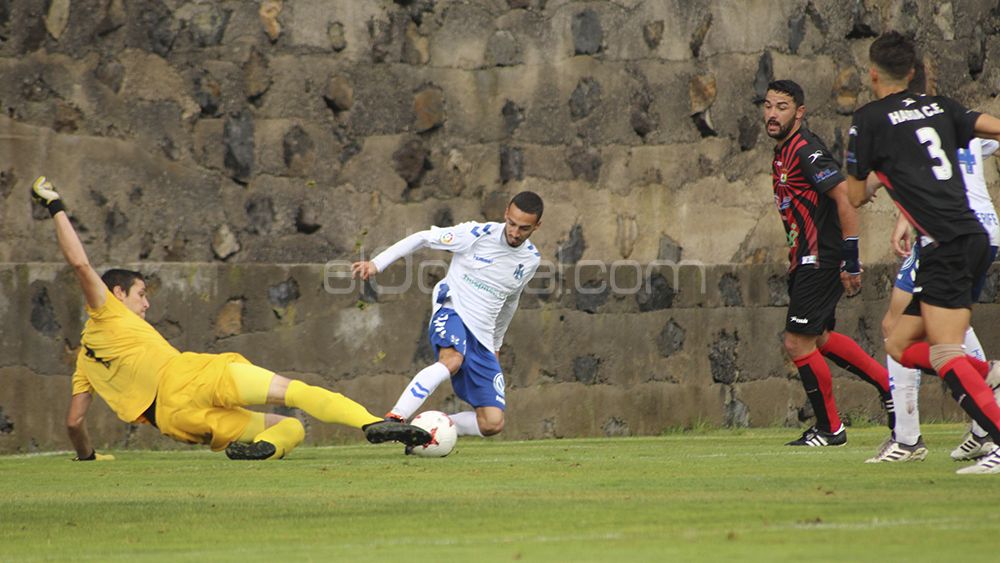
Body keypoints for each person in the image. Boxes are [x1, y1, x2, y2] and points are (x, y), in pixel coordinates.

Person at [31, 176, 431, 462]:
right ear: (117, 293)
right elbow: (80, 264)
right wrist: (55, 205)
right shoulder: (106, 310)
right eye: (141, 294)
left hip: (173, 420)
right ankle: (371, 423)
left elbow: (74, 422)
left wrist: (88, 457)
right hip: (190, 376)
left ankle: (265, 450)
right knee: (295, 392)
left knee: (289, 428)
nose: (147, 304)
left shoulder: (85, 363)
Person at [846, 31, 1000, 474]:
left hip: (947, 243)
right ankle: (988, 373)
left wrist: (875, 178)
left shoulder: (869, 120)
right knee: (898, 341)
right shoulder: (941, 107)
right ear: (912, 72)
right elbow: (990, 126)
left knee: (945, 353)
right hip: (968, 238)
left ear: (873, 74)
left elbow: (854, 196)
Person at [763, 79, 894, 447]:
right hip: (803, 258)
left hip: (819, 258)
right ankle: (888, 386)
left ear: (799, 113)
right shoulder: (783, 151)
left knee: (796, 343)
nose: (772, 114)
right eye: (769, 106)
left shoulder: (806, 150)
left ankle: (830, 428)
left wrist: (850, 260)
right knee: (818, 337)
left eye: (782, 107)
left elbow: (845, 198)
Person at [351, 192, 542, 443]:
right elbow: (422, 238)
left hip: (483, 333)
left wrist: (496, 344)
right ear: (506, 213)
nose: (515, 232)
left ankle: (427, 428)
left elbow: (510, 302)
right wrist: (377, 263)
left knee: (492, 423)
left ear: (537, 226)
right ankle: (395, 418)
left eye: (524, 228)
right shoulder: (476, 234)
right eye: (512, 223)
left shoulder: (531, 260)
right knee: (452, 359)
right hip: (453, 309)